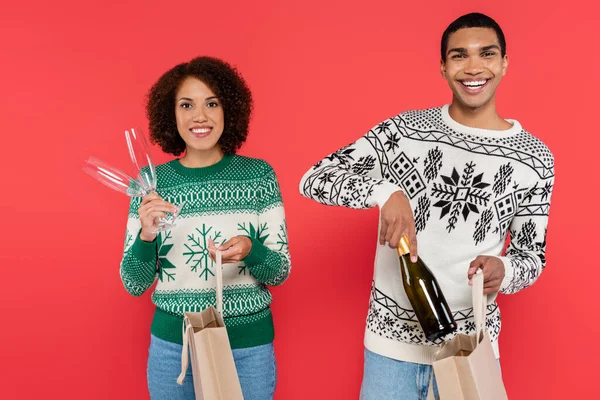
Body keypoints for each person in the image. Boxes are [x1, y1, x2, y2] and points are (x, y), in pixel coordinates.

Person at [299, 12, 554, 399]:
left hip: (472, 349)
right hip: (390, 352)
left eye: (486, 54)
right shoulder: (404, 132)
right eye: (458, 56)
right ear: (442, 66)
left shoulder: (535, 159)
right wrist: (385, 193)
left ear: (504, 63)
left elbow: (532, 257)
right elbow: (314, 179)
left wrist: (505, 268)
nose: (473, 67)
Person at [119, 56, 290, 400]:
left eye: (212, 103)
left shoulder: (258, 176)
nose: (200, 116)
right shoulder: (153, 186)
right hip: (173, 350)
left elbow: (279, 271)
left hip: (247, 350)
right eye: (187, 105)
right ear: (172, 115)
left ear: (229, 110)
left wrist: (251, 249)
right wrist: (146, 235)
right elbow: (133, 282)